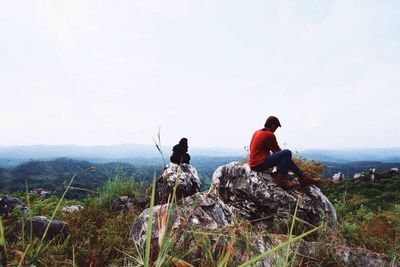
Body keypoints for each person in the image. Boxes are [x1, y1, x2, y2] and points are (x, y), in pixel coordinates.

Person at [248, 116, 321, 189]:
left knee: (285, 156)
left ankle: (303, 177)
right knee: (287, 153)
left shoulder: (257, 132)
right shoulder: (269, 134)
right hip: (259, 164)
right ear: (273, 126)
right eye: (276, 128)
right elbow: (277, 151)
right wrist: (285, 163)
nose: (275, 130)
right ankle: (281, 179)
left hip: (253, 164)